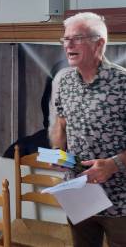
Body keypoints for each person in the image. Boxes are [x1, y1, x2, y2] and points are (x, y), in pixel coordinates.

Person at [49, 12, 126, 247]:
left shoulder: (123, 84)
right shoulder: (64, 81)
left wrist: (114, 164)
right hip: (79, 194)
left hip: (121, 201)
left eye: (77, 38)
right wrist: (56, 151)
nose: (68, 44)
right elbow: (61, 123)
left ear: (99, 43)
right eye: (65, 39)